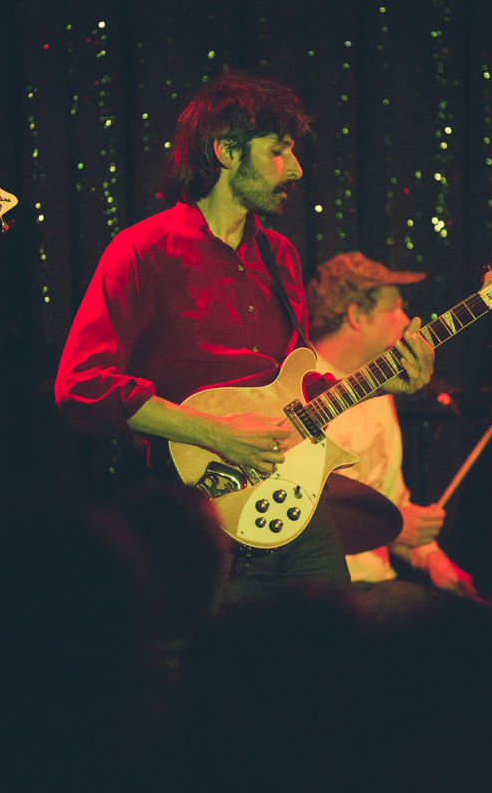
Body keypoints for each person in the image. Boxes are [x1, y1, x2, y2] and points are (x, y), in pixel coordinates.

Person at [55, 71, 434, 599]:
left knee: (335, 668)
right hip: (197, 522)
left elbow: (295, 395)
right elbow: (81, 384)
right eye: (279, 151)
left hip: (298, 514)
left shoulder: (280, 256)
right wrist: (214, 434)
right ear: (227, 151)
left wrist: (386, 381)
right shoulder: (142, 251)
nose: (297, 168)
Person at [306, 251, 476, 596]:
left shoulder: (381, 392)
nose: (406, 319)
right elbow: (299, 514)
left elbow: (390, 501)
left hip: (377, 582)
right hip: (321, 588)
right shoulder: (300, 390)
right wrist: (392, 527)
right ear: (356, 315)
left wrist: (431, 558)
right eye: (394, 308)